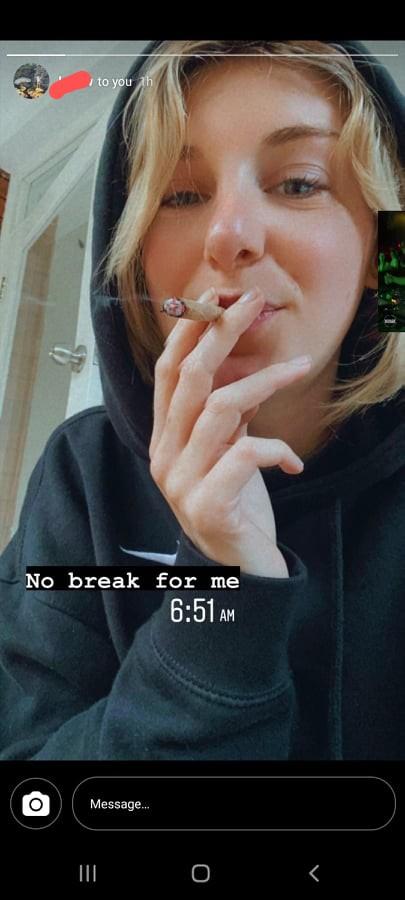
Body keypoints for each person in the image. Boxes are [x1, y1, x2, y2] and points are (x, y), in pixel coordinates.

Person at [0, 39, 404, 761]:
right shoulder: (81, 472)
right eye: (182, 195)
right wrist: (222, 596)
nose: (228, 235)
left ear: (385, 249)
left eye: (299, 183)